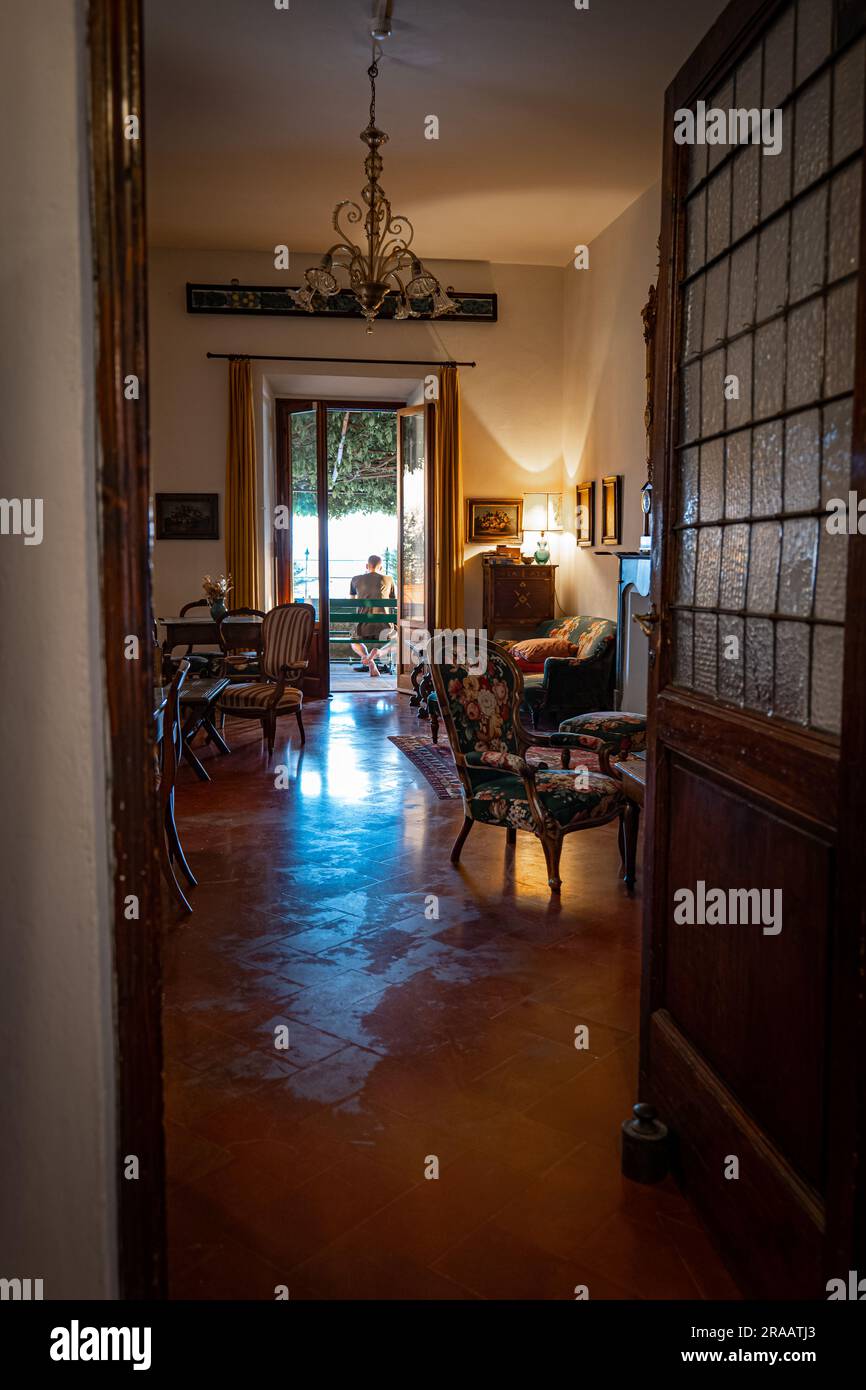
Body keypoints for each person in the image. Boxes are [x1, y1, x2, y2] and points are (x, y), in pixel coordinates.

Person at [349, 555, 396, 678]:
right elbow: (394, 603)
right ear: (381, 567)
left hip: (362, 629)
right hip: (384, 628)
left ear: (366, 566)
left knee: (354, 642)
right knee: (398, 641)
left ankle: (367, 659)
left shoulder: (355, 579)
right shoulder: (389, 579)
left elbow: (351, 602)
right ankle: (378, 653)